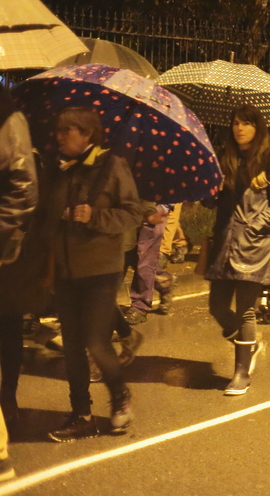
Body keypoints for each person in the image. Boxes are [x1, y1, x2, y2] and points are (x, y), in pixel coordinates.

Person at [38, 107, 142, 441]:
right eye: (58, 130)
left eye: (66, 131)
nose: (59, 137)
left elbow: (132, 214)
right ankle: (81, 413)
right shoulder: (59, 169)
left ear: (87, 134)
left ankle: (120, 396)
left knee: (96, 342)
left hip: (101, 270)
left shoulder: (112, 166)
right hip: (66, 270)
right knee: (71, 347)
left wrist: (94, 216)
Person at [202, 105, 270, 397]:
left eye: (247, 123)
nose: (240, 128)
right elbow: (211, 203)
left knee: (246, 311)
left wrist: (256, 225)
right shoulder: (224, 159)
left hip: (254, 244)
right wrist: (211, 189)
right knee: (216, 306)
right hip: (224, 242)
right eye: (236, 123)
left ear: (257, 127)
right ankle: (249, 345)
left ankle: (241, 373)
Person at [0, 87, 37, 475]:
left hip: (5, 248)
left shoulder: (9, 120)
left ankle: (7, 397)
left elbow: (24, 189)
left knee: (7, 324)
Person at [121, 202, 174, 323]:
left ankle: (140, 306)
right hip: (132, 206)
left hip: (155, 207)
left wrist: (162, 207)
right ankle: (162, 281)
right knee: (129, 254)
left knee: (146, 260)